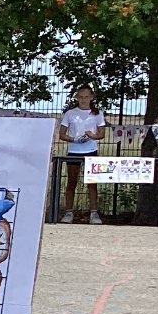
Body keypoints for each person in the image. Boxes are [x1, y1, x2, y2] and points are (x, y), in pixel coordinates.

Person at [57, 85, 106, 223]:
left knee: (92, 182)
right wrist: (74, 139)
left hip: (91, 151)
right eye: (81, 97)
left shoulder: (97, 113)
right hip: (74, 151)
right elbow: (61, 134)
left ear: (91, 98)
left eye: (86, 97)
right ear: (77, 98)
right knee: (71, 181)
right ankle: (68, 212)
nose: (84, 100)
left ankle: (94, 213)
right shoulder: (70, 113)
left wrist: (93, 136)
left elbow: (102, 133)